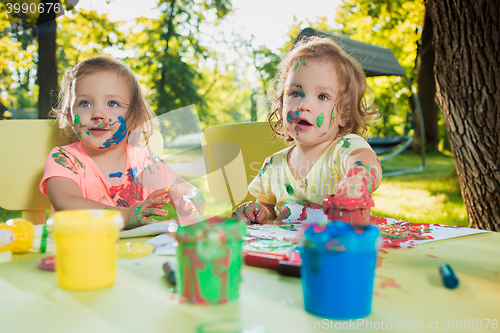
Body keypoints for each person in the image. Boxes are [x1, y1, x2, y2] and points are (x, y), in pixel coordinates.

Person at [40, 56, 204, 229]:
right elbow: (66, 203)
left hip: (136, 253)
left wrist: (187, 203)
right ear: (70, 118)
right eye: (85, 103)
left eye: (112, 103)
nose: (98, 114)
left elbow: (193, 192)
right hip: (80, 250)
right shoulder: (65, 159)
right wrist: (125, 215)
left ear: (134, 118)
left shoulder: (145, 164)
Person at [233, 36, 381, 223]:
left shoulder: (345, 148)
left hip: (335, 247)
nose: (304, 105)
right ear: (281, 104)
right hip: (287, 250)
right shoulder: (273, 165)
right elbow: (270, 210)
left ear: (344, 114)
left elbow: (367, 163)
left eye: (322, 96)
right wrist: (260, 212)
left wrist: (354, 185)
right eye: (295, 93)